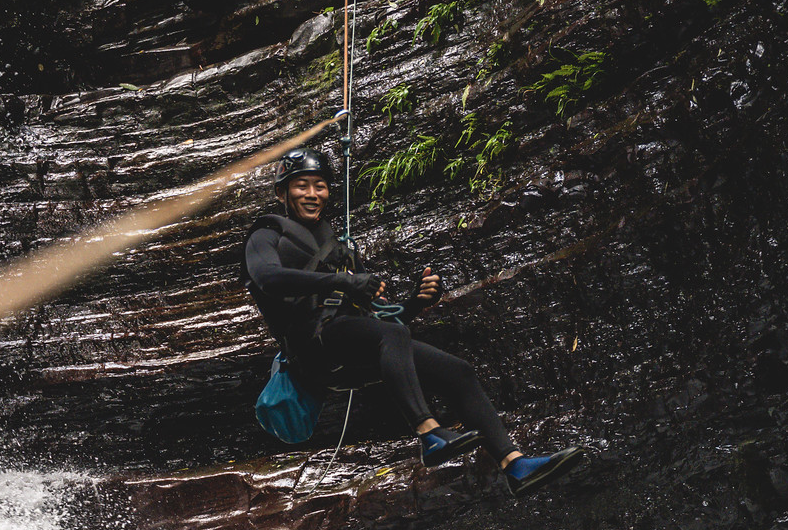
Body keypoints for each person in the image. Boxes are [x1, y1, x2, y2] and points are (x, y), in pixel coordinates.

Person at [241, 146, 583, 494]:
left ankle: (516, 465)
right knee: (388, 336)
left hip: (349, 346)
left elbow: (384, 320)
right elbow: (268, 278)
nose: (313, 194)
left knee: (456, 371)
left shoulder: (341, 248)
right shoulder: (267, 235)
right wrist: (342, 281)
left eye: (320, 186)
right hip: (312, 348)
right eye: (302, 186)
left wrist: (415, 303)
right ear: (282, 193)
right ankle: (429, 433)